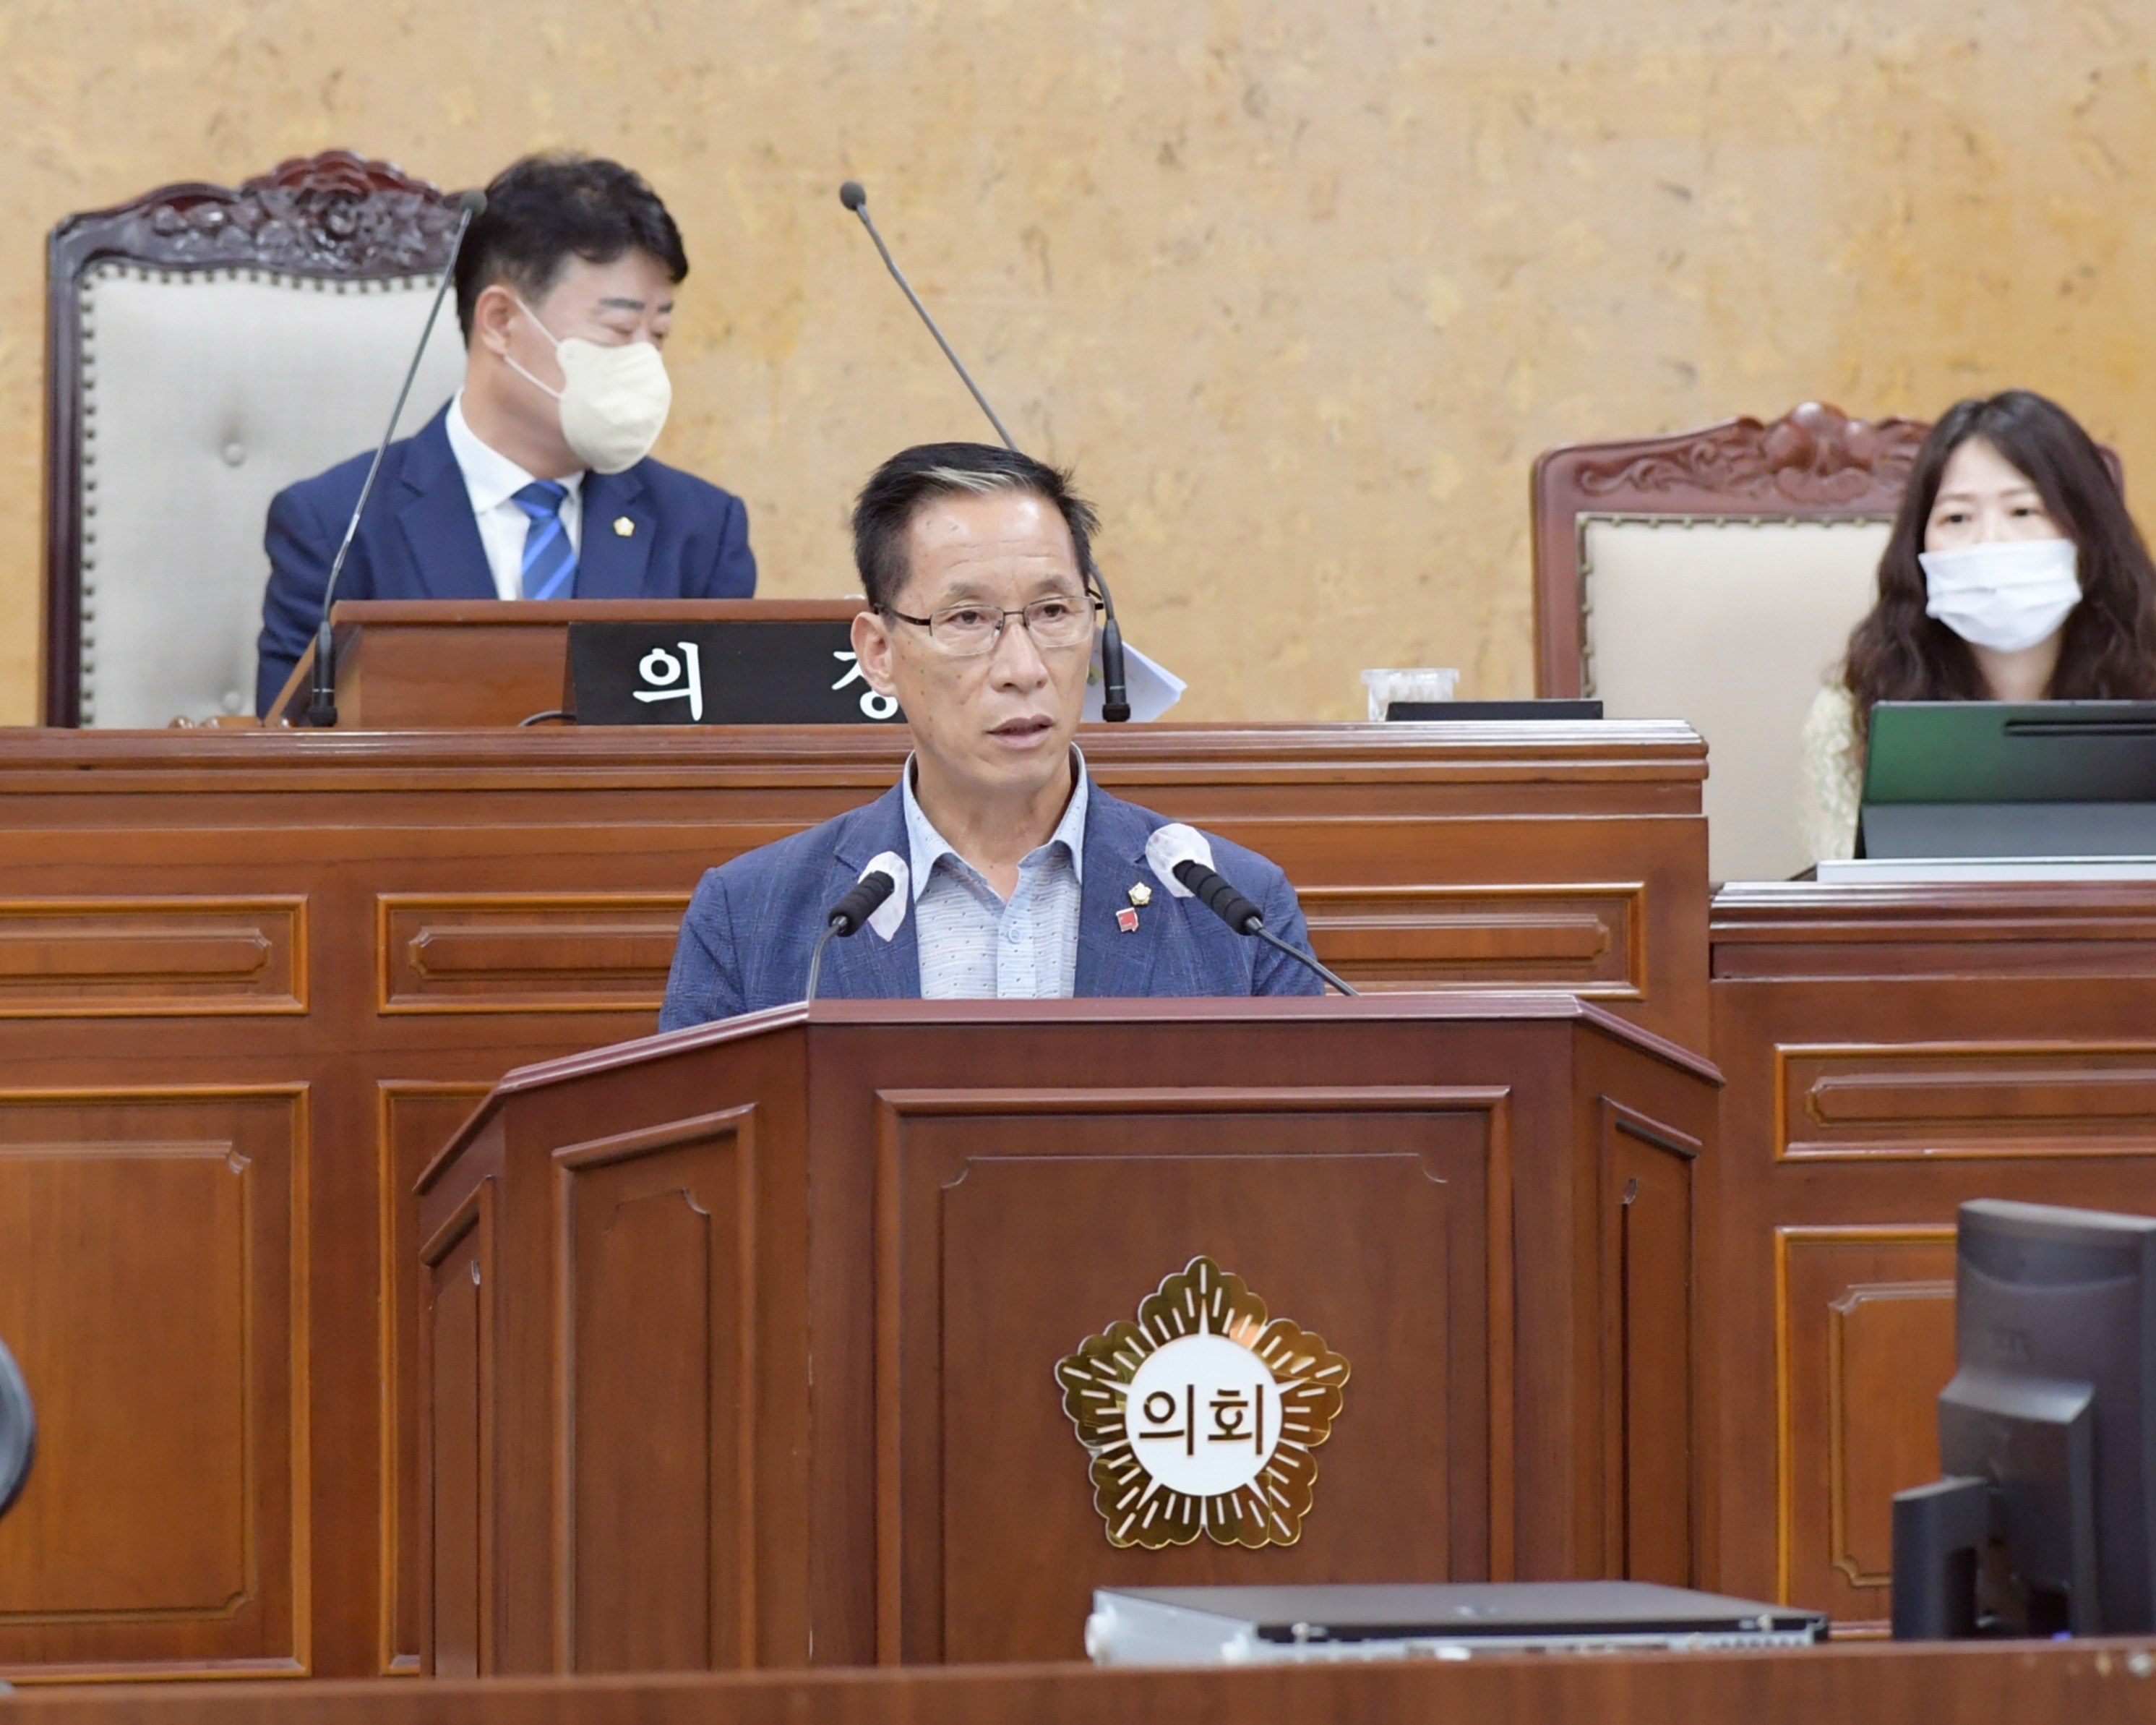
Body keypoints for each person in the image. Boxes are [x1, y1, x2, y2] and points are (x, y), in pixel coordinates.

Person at [658, 442, 1323, 1025]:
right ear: (879, 655)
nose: (1022, 669)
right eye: (968, 618)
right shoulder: (749, 916)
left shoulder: (1236, 905)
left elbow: (1307, 1157)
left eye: (1054, 611)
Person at [254, 153, 756, 715]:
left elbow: (720, 764)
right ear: (499, 321)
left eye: (658, 332)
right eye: (618, 329)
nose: (643, 360)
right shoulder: (337, 527)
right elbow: (287, 770)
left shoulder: (700, 530)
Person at [1798, 390, 2156, 863]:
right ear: (1918, 547)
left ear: (2087, 535)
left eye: (2023, 512)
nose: (1989, 543)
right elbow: (1846, 909)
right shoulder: (1850, 718)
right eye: (1957, 517)